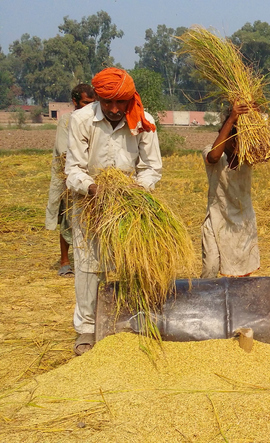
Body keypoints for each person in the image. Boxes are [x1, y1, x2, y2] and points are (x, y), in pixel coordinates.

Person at [65, 67, 162, 355]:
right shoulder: (81, 120)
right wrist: (94, 189)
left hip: (130, 204)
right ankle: (86, 328)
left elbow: (151, 167)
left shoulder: (142, 121)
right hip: (89, 201)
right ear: (98, 98)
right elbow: (74, 169)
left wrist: (136, 191)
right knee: (89, 264)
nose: (115, 109)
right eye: (108, 103)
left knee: (132, 262)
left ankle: (127, 321)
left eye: (121, 102)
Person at [201, 102, 260, 279]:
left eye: (239, 137)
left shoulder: (247, 156)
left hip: (243, 222)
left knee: (241, 273)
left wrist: (257, 120)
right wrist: (232, 119)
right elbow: (214, 156)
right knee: (210, 268)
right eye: (231, 137)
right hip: (216, 218)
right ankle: (206, 302)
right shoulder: (210, 152)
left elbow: (265, 150)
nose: (236, 142)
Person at [45, 84, 95, 277]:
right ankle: (65, 261)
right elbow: (64, 152)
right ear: (75, 102)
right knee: (69, 217)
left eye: (93, 103)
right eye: (85, 102)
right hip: (71, 174)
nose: (89, 107)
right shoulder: (67, 121)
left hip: (92, 176)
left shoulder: (94, 120)